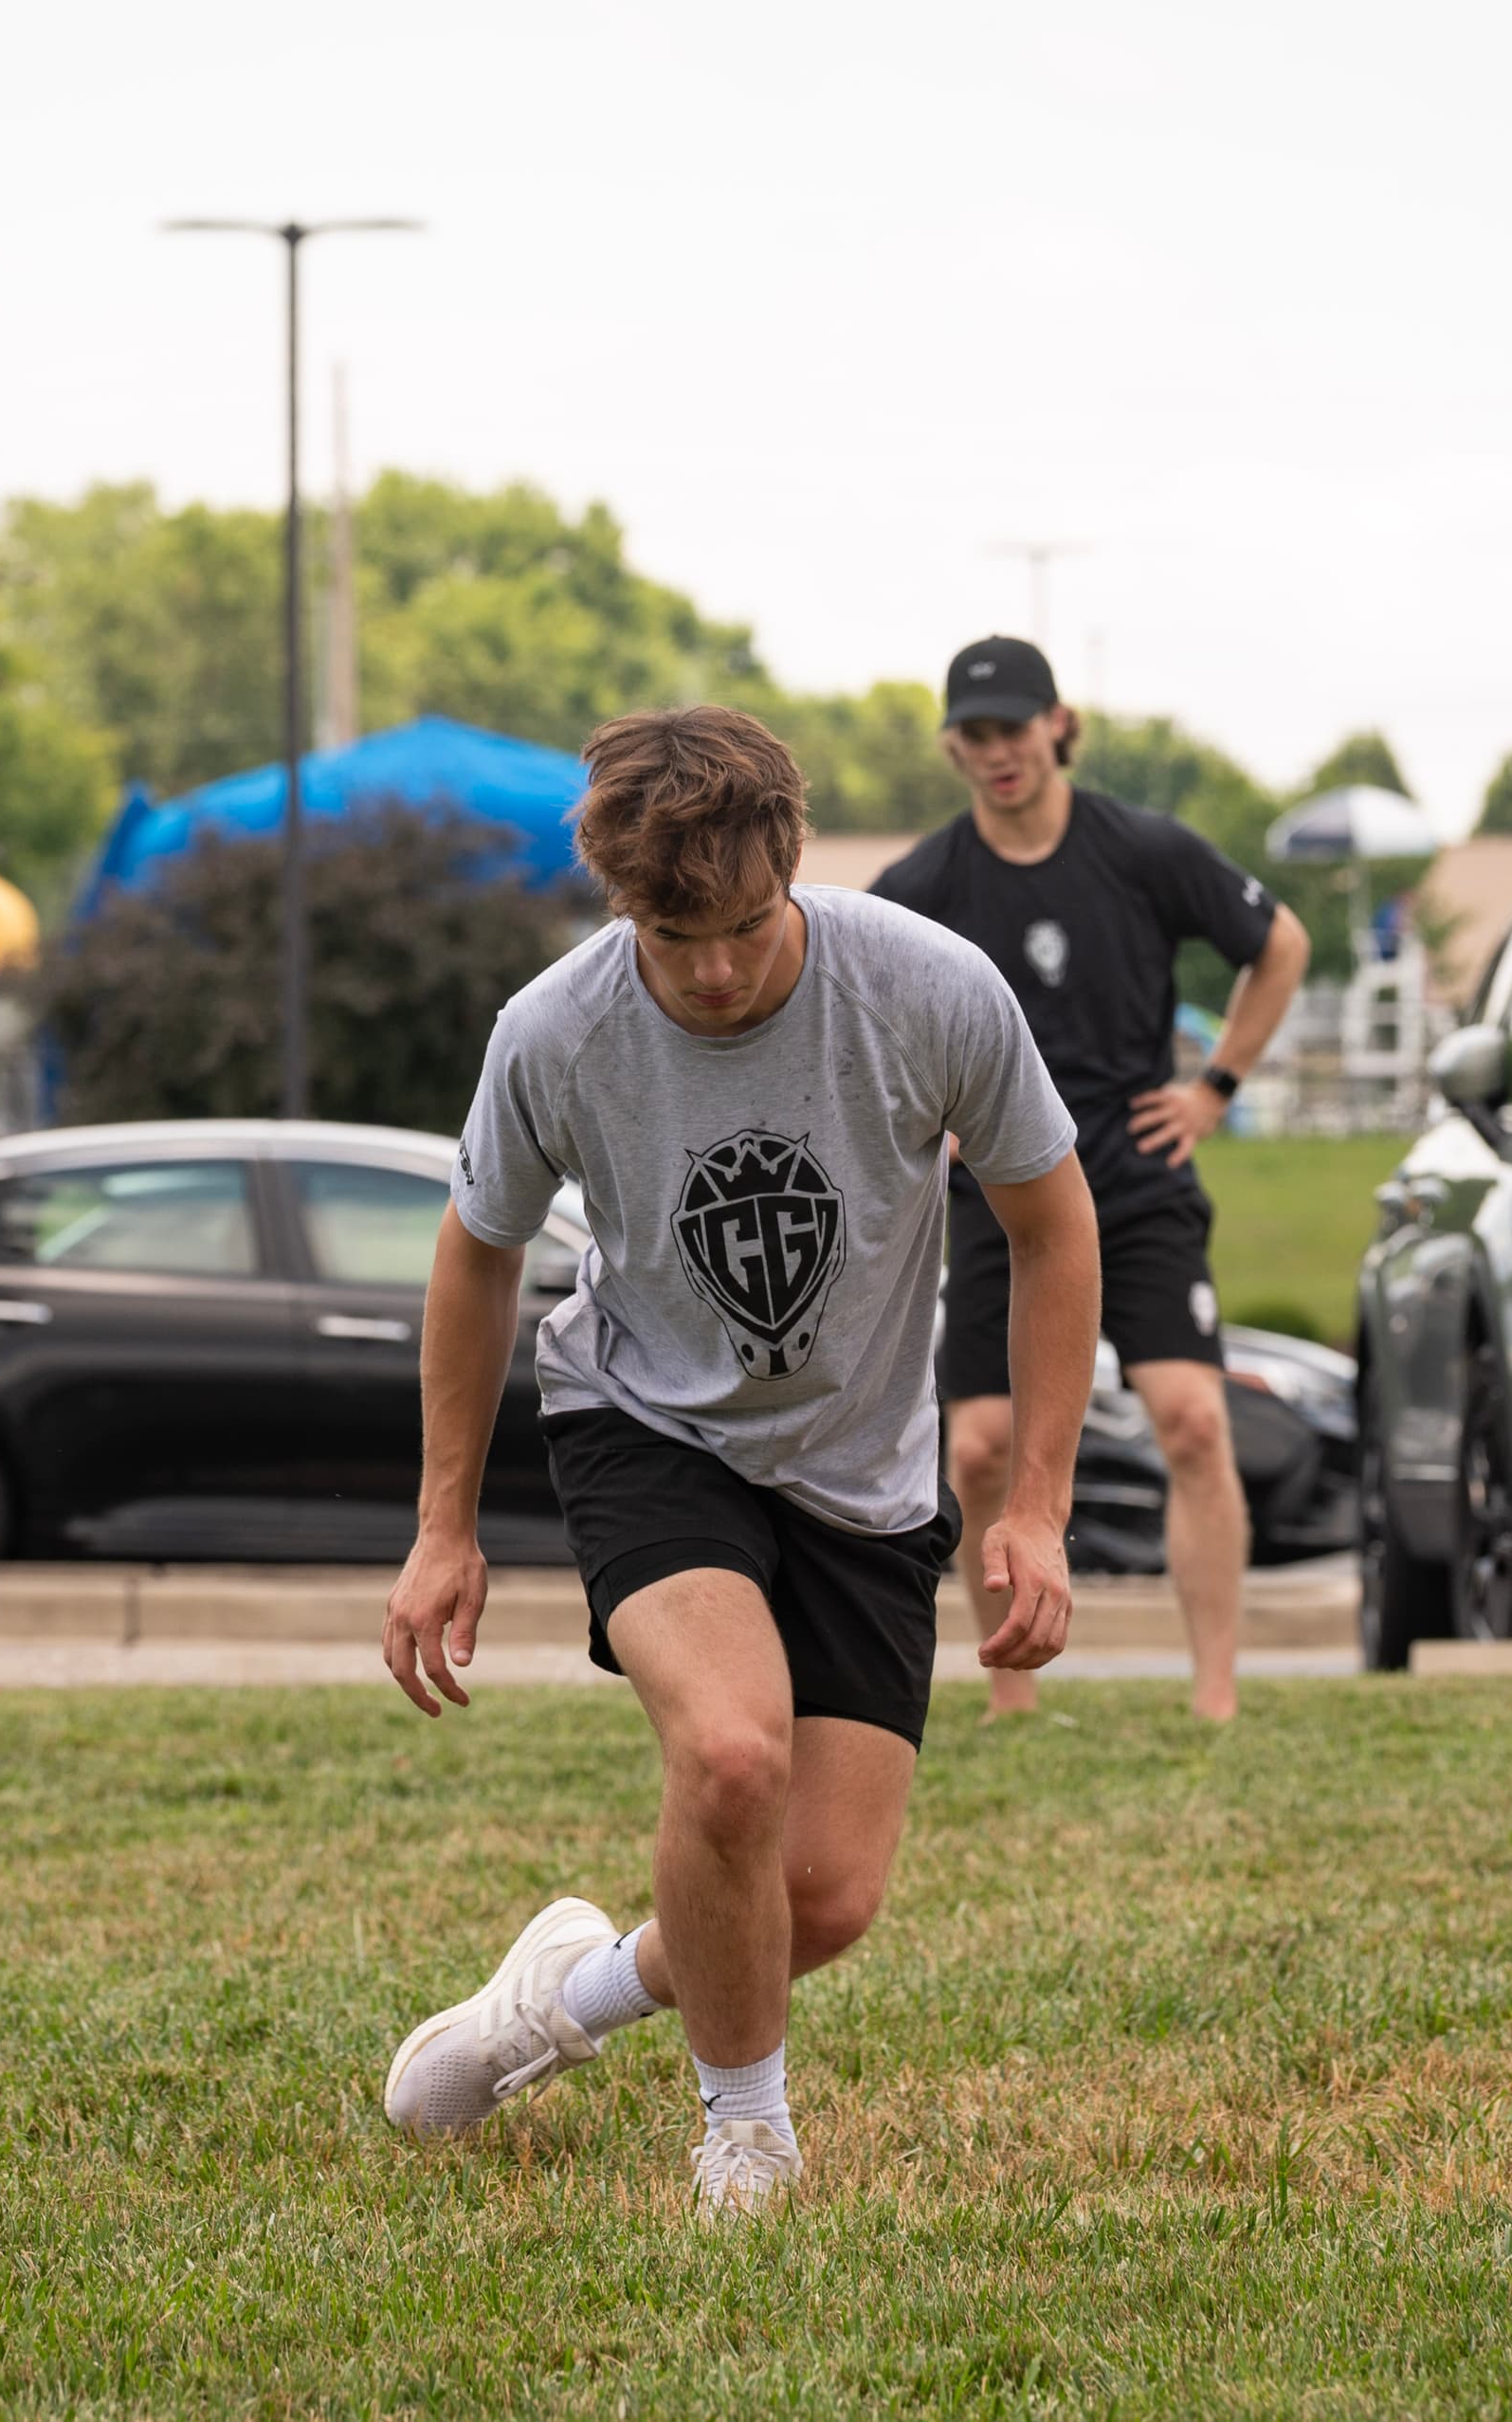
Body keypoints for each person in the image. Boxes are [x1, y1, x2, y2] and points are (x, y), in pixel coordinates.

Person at [377, 704, 1099, 2216]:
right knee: (729, 1753)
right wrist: (443, 1524)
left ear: (795, 866)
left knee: (821, 1897)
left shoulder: (927, 987)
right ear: (616, 901)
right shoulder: (556, 1031)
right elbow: (477, 1255)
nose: (709, 970)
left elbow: (1051, 1223)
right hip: (650, 1423)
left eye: (744, 925)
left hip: (865, 1463)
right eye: (666, 928)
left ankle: (565, 1995)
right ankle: (747, 2136)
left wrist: (1035, 1502)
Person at [871, 636, 1308, 1724]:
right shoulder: (924, 884)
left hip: (1134, 1169)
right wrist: (925, 1124)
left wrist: (1214, 1086)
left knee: (1192, 1419)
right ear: (952, 749)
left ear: (1058, 727)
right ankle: (1009, 1693)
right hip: (998, 1191)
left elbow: (1282, 941)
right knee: (974, 1446)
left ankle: (1214, 1693)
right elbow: (860, 1006)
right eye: (976, 735)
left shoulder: (1145, 849)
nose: (999, 752)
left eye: (1015, 729)